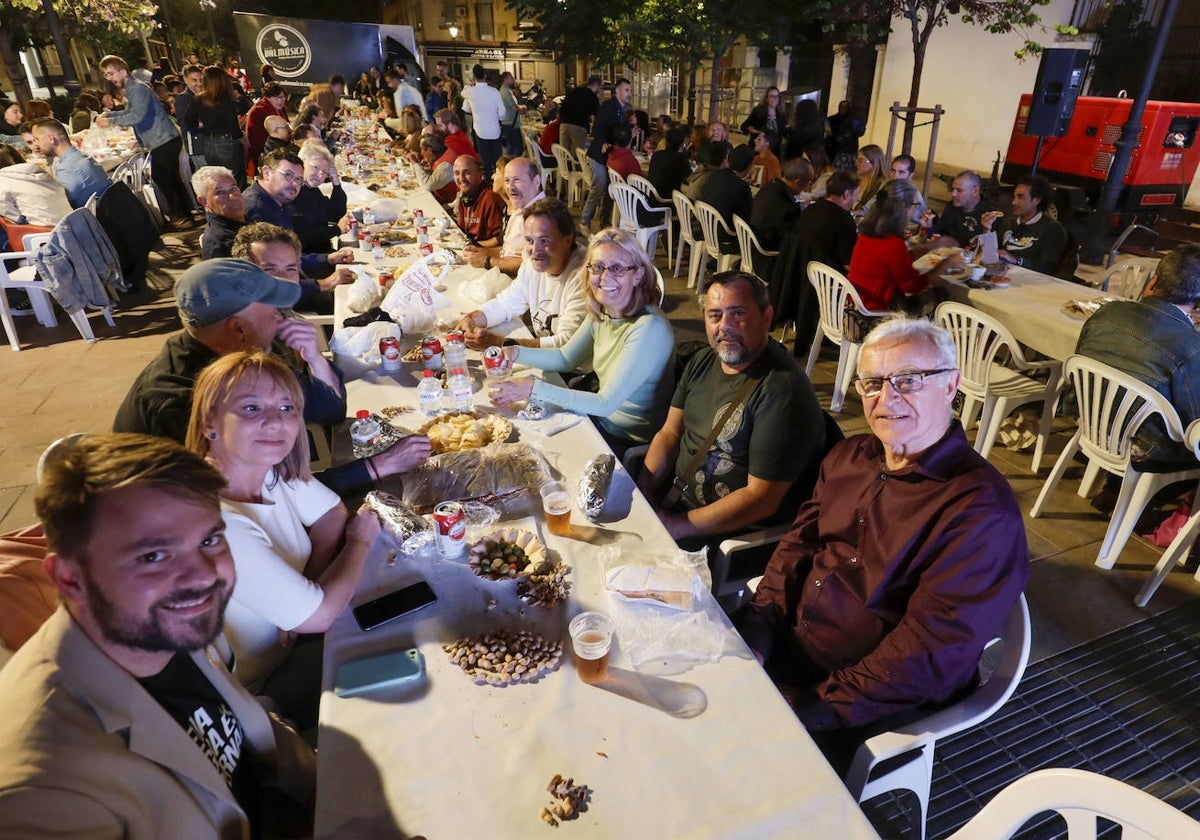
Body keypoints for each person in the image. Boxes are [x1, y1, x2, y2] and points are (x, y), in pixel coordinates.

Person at [740, 316, 1029, 770]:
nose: (886, 398)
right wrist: (758, 632)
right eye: (872, 382)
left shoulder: (980, 513)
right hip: (791, 649)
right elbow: (796, 548)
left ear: (951, 385)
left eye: (908, 380)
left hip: (869, 700)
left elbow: (928, 654)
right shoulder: (850, 456)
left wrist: (808, 704)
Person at [0, 433, 316, 837]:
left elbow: (244, 735)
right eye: (153, 555)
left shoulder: (158, 625)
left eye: (210, 539)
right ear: (69, 578)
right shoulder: (43, 792)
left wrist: (332, 803)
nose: (203, 575)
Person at [184, 352, 385, 726]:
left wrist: (306, 591)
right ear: (210, 423)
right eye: (251, 407)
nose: (275, 421)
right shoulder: (216, 523)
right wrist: (360, 540)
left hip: (295, 644)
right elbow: (322, 615)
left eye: (287, 407)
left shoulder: (267, 467)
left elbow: (331, 515)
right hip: (256, 697)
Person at [637, 272, 827, 543]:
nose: (724, 326)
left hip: (722, 537)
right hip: (673, 505)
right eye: (714, 315)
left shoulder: (782, 394)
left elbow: (760, 499)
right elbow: (670, 433)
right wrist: (643, 491)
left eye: (737, 313)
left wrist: (676, 526)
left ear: (767, 318)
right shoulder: (702, 360)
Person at [488, 228, 674, 453]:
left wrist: (532, 389)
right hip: (597, 418)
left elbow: (605, 404)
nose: (605, 278)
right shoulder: (604, 309)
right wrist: (514, 352)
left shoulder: (649, 329)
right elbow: (566, 357)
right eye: (597, 267)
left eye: (617, 268)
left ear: (638, 275)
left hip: (622, 438)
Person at [1076, 245, 1200, 470]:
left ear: (1153, 283)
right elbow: (1193, 422)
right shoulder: (1191, 347)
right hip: (1146, 450)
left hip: (1088, 422)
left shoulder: (1107, 312)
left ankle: (1113, 487)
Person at [455, 197, 587, 350]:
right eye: (530, 240)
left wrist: (500, 343)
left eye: (544, 241)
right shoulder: (532, 266)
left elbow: (565, 346)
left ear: (568, 240)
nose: (535, 251)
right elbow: (505, 304)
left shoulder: (583, 277)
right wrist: (473, 319)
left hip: (573, 370)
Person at [95, 55, 193, 226]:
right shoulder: (133, 87)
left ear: (123, 71)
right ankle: (185, 214)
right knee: (170, 179)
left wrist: (109, 120)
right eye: (107, 75)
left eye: (111, 73)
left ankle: (181, 217)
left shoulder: (137, 88)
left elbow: (136, 116)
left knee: (163, 179)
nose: (110, 78)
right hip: (163, 139)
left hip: (162, 139)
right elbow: (130, 112)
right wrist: (110, 115)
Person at [770, 170, 860, 355]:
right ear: (847, 194)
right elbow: (849, 265)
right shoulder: (843, 220)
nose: (856, 198)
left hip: (799, 280)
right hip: (823, 288)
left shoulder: (812, 209)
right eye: (856, 193)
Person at [848, 179, 962, 313]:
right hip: (876, 312)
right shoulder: (893, 243)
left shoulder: (868, 233)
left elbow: (897, 261)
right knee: (943, 295)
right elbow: (913, 286)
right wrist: (945, 264)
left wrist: (930, 247)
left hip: (856, 305)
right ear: (902, 208)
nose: (916, 210)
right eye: (915, 205)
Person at [242, 149, 356, 277]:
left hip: (302, 264)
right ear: (267, 172)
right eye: (288, 175)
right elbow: (277, 272)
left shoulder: (280, 198)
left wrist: (328, 258)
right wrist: (324, 282)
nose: (295, 184)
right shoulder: (257, 208)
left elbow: (290, 256)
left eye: (298, 179)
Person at [233, 222, 355, 316]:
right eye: (269, 269)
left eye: (290, 269)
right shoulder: (242, 331)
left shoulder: (283, 316)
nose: (285, 279)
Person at [463, 156, 544, 274]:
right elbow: (509, 252)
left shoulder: (540, 218)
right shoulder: (521, 208)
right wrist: (481, 252)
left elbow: (530, 265)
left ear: (536, 182)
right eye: (507, 181)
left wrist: (487, 261)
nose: (510, 187)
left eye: (517, 180)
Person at [981, 173, 1069, 275]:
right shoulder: (1008, 223)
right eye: (1014, 196)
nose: (1013, 202)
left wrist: (1017, 260)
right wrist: (986, 230)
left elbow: (1048, 268)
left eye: (1020, 197)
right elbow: (989, 259)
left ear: (1036, 200)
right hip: (1001, 275)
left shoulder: (1052, 228)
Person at [180, 66, 249, 189]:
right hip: (227, 144)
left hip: (208, 144)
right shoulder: (226, 100)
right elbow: (234, 129)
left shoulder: (198, 99)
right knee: (236, 181)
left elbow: (187, 122)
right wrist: (242, 137)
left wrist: (201, 125)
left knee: (219, 182)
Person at [582, 77, 632, 230]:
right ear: (617, 91)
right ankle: (584, 221)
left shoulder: (623, 110)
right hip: (599, 155)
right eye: (626, 90)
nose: (629, 93)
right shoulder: (609, 106)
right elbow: (596, 129)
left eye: (630, 90)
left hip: (611, 156)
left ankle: (604, 222)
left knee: (610, 188)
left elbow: (619, 134)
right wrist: (603, 142)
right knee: (599, 186)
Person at [29, 118, 111, 209]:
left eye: (37, 139)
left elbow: (62, 204)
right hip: (111, 209)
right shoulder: (82, 156)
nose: (36, 144)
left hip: (95, 217)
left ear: (51, 139)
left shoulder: (67, 168)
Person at [290, 142, 348, 257]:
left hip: (322, 251)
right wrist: (337, 230)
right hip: (310, 259)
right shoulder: (294, 192)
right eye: (315, 167)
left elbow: (335, 214)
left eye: (325, 172)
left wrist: (336, 182)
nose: (320, 174)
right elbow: (304, 237)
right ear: (302, 164)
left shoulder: (311, 189)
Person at [0, 142, 72, 228]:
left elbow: (15, 220)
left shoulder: (3, 181)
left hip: (45, 234)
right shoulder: (40, 173)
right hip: (73, 223)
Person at [751, 156, 812, 252]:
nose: (807, 186)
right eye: (808, 182)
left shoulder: (769, 186)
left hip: (753, 245)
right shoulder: (783, 202)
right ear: (797, 182)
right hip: (767, 254)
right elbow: (792, 236)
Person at [929, 170, 996, 249]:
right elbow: (939, 233)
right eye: (952, 189)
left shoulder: (990, 215)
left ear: (975, 191)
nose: (953, 194)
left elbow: (991, 253)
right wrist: (929, 226)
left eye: (959, 190)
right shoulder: (951, 206)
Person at [460, 64, 505, 178]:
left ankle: (488, 184)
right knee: (497, 160)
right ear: (485, 76)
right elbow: (502, 114)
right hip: (495, 131)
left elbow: (465, 105)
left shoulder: (470, 91)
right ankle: (499, 182)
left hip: (480, 131)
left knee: (485, 161)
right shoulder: (494, 92)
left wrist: (470, 85)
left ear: (473, 77)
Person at [192, 165, 245, 259]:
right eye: (220, 192)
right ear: (204, 201)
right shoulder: (219, 245)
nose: (232, 196)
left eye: (233, 189)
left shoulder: (248, 217)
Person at [453, 154, 504, 247]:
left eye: (467, 172)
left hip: (483, 250)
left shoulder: (490, 198)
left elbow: (499, 239)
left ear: (479, 176)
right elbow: (461, 228)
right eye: (457, 173)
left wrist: (474, 246)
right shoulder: (464, 195)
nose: (461, 178)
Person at [245, 82, 288, 174]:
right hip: (263, 151)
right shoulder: (260, 110)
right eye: (277, 98)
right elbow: (257, 139)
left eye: (283, 97)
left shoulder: (277, 107)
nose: (281, 101)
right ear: (268, 98)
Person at [411, 131, 459, 205]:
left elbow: (428, 185)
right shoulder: (444, 152)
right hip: (438, 197)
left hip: (446, 205)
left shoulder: (446, 165)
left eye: (422, 149)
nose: (421, 153)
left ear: (430, 150)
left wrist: (415, 164)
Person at [559, 74, 602, 154]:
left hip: (564, 124)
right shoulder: (592, 96)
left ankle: (564, 167)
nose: (599, 90)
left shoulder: (574, 91)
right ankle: (575, 167)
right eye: (599, 87)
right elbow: (598, 115)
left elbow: (563, 106)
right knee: (577, 155)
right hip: (578, 126)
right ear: (596, 85)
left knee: (564, 154)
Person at [647, 127, 690, 202]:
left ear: (666, 141)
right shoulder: (680, 158)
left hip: (651, 198)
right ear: (682, 143)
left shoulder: (656, 154)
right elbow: (689, 180)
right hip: (669, 200)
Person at [741, 87, 784, 156]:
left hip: (774, 152)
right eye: (771, 96)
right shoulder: (758, 111)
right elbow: (743, 126)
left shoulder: (780, 114)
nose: (774, 99)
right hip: (758, 150)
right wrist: (753, 130)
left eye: (776, 96)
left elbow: (781, 133)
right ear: (766, 98)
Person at [826, 100, 864, 171]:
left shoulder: (852, 120)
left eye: (845, 107)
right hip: (834, 149)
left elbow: (860, 132)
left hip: (849, 150)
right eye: (841, 107)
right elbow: (828, 132)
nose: (843, 109)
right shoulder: (830, 119)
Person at [888, 154, 926, 221]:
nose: (895, 176)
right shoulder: (887, 188)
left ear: (911, 175)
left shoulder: (914, 198)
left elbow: (915, 225)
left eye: (901, 172)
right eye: (893, 171)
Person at [852, 144, 886, 215]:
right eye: (857, 159)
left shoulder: (881, 184)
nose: (856, 163)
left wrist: (851, 214)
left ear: (873, 164)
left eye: (861, 161)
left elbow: (870, 209)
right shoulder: (854, 178)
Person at [499, 71, 525, 156]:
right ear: (505, 79)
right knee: (516, 149)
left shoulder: (506, 90)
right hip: (511, 124)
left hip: (510, 124)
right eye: (511, 78)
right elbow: (515, 108)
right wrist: (523, 108)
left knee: (512, 148)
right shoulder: (505, 91)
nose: (513, 79)